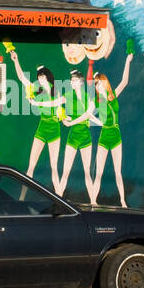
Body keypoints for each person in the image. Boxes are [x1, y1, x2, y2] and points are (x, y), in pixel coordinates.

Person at [7, 48, 66, 193]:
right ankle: (22, 196)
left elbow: (56, 104)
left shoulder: (56, 90)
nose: (40, 79)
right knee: (31, 165)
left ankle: (60, 197)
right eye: (39, 77)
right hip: (42, 127)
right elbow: (22, 78)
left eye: (42, 76)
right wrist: (16, 60)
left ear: (48, 77)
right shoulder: (37, 89)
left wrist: (37, 104)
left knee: (53, 166)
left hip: (54, 130)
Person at [89, 48, 133, 207]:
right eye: (96, 84)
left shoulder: (113, 95)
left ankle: (122, 201)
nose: (98, 86)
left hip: (116, 136)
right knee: (99, 173)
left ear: (104, 83)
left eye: (99, 83)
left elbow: (125, 81)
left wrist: (128, 61)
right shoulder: (97, 102)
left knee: (117, 172)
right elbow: (88, 115)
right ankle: (93, 201)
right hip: (104, 137)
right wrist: (99, 122)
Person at [58, 70, 96, 201]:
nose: (72, 82)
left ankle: (94, 202)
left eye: (74, 80)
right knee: (65, 172)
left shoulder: (89, 98)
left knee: (87, 172)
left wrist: (71, 122)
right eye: (71, 80)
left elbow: (86, 115)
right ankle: (58, 200)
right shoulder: (68, 95)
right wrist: (62, 117)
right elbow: (55, 104)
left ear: (80, 82)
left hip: (85, 137)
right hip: (73, 137)